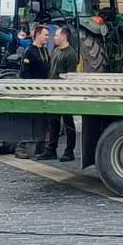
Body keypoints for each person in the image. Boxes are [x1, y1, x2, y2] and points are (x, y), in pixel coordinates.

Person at [39, 26, 79, 162]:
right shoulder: (55, 51)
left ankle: (69, 151)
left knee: (68, 123)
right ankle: (51, 150)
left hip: (64, 93)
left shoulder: (71, 54)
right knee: (53, 122)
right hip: (53, 92)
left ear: (64, 37)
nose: (54, 37)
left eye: (56, 35)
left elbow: (71, 76)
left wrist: (66, 92)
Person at [14, 25, 51, 159]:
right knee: (29, 119)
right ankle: (21, 147)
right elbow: (24, 72)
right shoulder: (29, 51)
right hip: (32, 90)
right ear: (38, 35)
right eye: (45, 35)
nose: (47, 37)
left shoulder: (46, 51)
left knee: (41, 119)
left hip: (43, 90)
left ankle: (39, 148)